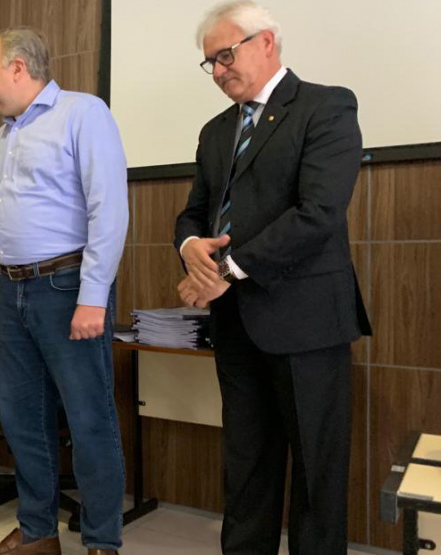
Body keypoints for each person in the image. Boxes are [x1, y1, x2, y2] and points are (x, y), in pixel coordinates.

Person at [0, 27, 129, 555]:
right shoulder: (4, 136)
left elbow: (110, 210)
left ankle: (102, 544)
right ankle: (38, 536)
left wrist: (92, 296)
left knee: (89, 420)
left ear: (19, 68)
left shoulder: (84, 113)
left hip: (66, 287)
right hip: (11, 291)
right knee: (24, 419)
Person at [174, 2, 372, 553]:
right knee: (246, 465)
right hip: (236, 324)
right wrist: (191, 246)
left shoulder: (326, 106)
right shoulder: (216, 132)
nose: (217, 70)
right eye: (208, 62)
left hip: (307, 321)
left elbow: (319, 213)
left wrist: (227, 271)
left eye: (225, 55)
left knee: (316, 469)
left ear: (267, 43)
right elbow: (194, 212)